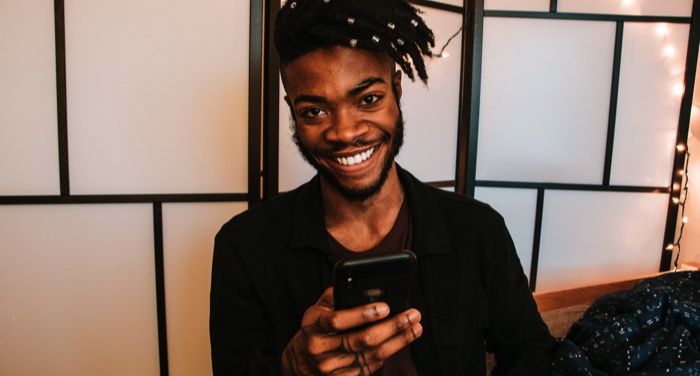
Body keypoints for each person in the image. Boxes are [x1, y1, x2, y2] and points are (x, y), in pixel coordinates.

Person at [210, 0, 555, 374]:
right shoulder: (244, 247)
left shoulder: (477, 230)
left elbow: (531, 353)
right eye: (314, 111)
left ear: (396, 89)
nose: (345, 131)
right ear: (292, 110)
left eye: (368, 99)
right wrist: (291, 369)